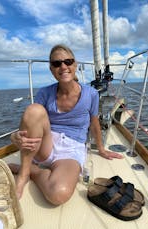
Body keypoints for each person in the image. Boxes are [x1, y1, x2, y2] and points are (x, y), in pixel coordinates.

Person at [10, 44, 123, 205]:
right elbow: (33, 120)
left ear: (75, 65)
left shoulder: (90, 94)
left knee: (58, 194)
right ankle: (22, 176)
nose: (63, 66)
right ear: (51, 69)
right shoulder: (44, 92)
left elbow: (94, 123)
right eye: (57, 63)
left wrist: (102, 149)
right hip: (46, 145)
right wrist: (14, 136)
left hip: (71, 149)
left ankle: (32, 171)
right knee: (34, 109)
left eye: (68, 62)